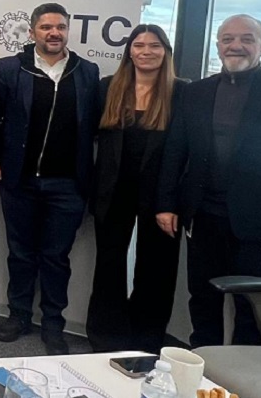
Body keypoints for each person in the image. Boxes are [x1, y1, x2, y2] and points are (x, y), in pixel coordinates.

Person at [157, 14, 261, 347]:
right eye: (228, 39)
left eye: (247, 39)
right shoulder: (196, 92)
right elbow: (175, 150)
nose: (236, 45)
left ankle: (245, 374)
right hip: (202, 218)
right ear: (218, 45)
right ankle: (205, 368)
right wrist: (167, 204)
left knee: (252, 309)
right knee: (202, 301)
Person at [0, 2, 100, 355]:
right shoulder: (10, 68)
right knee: (20, 253)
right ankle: (19, 315)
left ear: (67, 31)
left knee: (56, 257)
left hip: (67, 184)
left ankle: (53, 324)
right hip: (19, 179)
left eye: (60, 27)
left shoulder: (87, 71)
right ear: (33, 31)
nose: (54, 33)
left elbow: (94, 127)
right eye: (46, 27)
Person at [86, 24, 185, 354]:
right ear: (129, 51)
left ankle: (146, 340)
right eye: (139, 45)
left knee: (156, 269)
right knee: (109, 266)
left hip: (161, 196)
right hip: (113, 190)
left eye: (154, 45)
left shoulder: (182, 93)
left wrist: (173, 201)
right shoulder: (108, 88)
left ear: (165, 52)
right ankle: (106, 339)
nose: (146, 51)